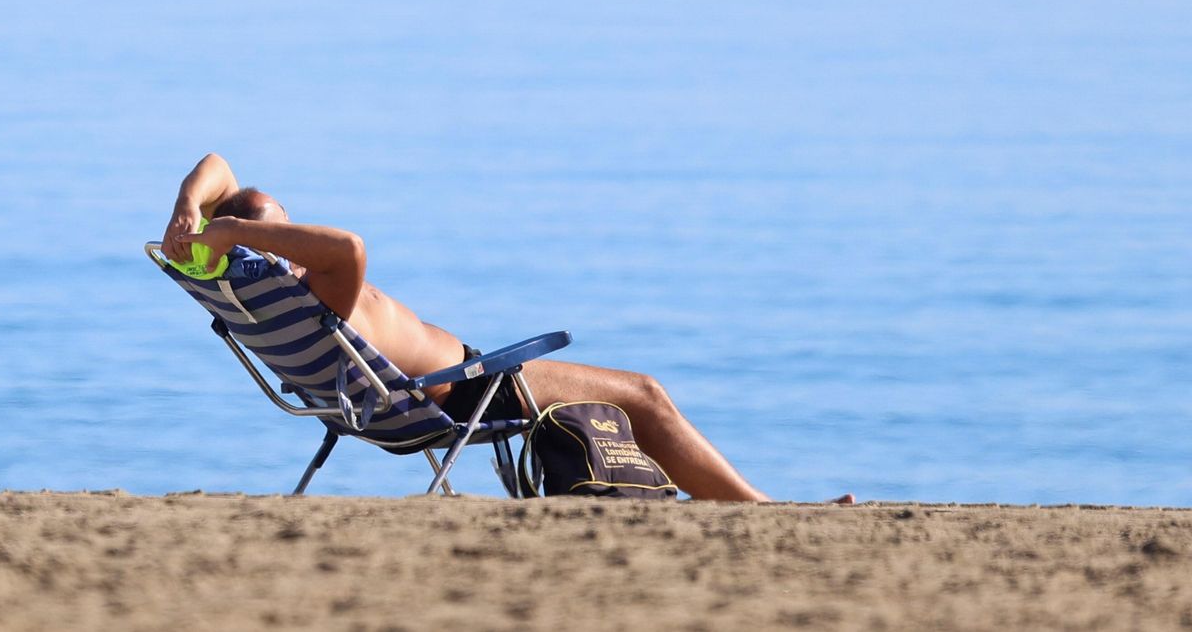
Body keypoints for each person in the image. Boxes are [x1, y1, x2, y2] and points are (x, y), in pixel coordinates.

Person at [163, 153, 852, 503]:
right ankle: (763, 508)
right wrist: (240, 226)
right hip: (463, 388)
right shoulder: (323, 287)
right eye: (284, 226)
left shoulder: (246, 290)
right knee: (645, 394)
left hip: (376, 405)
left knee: (638, 396)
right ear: (264, 237)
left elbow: (219, 164)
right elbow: (349, 246)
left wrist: (192, 206)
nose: (296, 232)